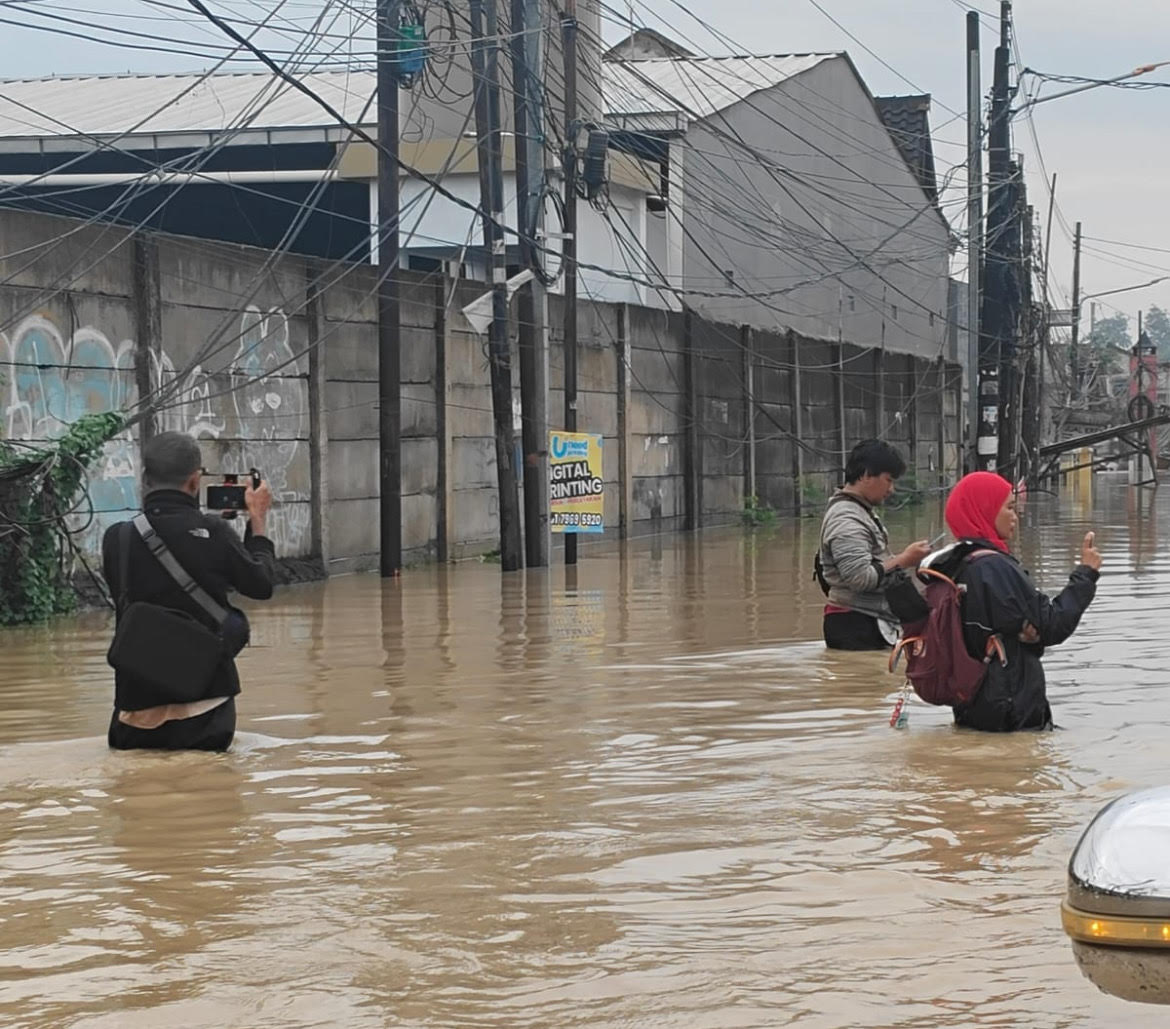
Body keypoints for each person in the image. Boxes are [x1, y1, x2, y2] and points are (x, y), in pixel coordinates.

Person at [101, 432, 276, 752]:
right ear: (195, 481)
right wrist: (257, 522)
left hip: (135, 708)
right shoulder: (215, 532)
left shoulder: (117, 538)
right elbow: (261, 584)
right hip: (205, 705)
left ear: (145, 480)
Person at [930, 471, 1101, 732]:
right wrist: (1086, 574)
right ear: (984, 509)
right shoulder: (995, 567)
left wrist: (1028, 634)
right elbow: (1053, 624)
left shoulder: (954, 564)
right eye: (1009, 507)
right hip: (1011, 708)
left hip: (971, 704)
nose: (1015, 516)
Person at [818, 439, 931, 650]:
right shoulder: (847, 519)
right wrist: (905, 559)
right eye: (888, 480)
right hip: (855, 624)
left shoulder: (859, 511)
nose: (891, 489)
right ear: (866, 475)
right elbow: (860, 578)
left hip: (864, 621)